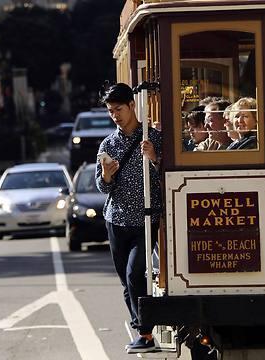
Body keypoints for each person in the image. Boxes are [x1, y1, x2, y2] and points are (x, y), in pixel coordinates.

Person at [95, 83, 162, 354]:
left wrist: (155, 158)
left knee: (136, 274)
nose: (115, 116)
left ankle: (146, 332)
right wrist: (107, 175)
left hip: (145, 219)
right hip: (116, 219)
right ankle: (141, 331)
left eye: (118, 109)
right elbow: (101, 186)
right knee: (125, 279)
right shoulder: (108, 143)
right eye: (111, 111)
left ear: (132, 106)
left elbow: (170, 175)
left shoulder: (153, 138)